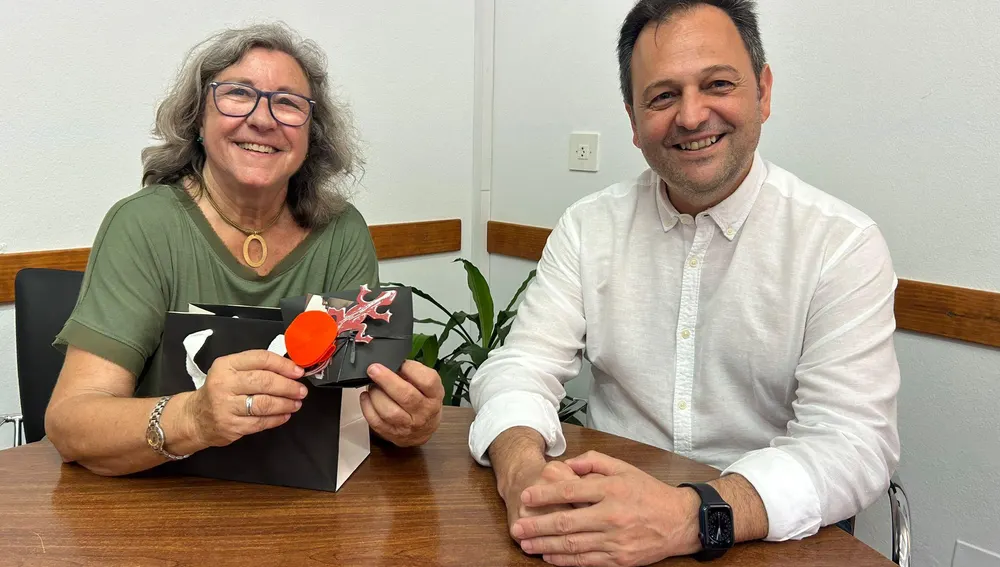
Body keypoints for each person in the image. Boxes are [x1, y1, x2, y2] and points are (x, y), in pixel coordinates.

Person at [468, 1, 900, 565]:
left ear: (763, 92)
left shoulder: (841, 243)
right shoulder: (587, 227)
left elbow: (852, 440)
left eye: (717, 84)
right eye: (663, 96)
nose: (692, 116)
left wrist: (692, 515)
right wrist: (523, 469)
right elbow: (522, 365)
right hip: (600, 521)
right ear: (632, 119)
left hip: (763, 534)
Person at [45, 23, 444, 477]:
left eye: (288, 103)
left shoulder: (342, 231)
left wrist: (405, 421)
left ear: (312, 136)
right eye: (238, 94)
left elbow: (353, 409)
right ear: (198, 119)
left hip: (307, 509)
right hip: (160, 506)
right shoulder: (143, 225)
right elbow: (70, 424)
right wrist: (194, 418)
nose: (263, 118)